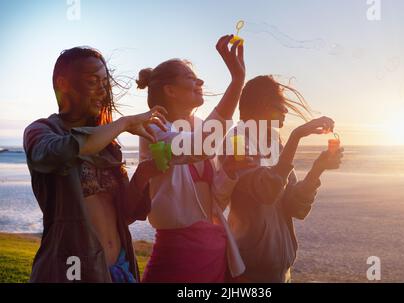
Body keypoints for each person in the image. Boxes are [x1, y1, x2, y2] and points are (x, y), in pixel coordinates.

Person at [23, 47, 167, 282]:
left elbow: (126, 215)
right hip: (73, 271)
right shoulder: (41, 131)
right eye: (93, 81)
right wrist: (124, 123)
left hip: (121, 269)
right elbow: (59, 152)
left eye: (105, 83)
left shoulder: (108, 144)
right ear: (63, 84)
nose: (102, 91)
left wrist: (143, 175)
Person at [137, 35, 253, 282]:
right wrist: (237, 82)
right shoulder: (152, 126)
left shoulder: (200, 126)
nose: (200, 81)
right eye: (190, 78)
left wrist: (229, 173)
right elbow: (200, 146)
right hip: (176, 259)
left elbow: (215, 203)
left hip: (214, 255)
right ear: (170, 90)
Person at [227, 75, 344, 282]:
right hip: (247, 274)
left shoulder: (274, 144)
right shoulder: (235, 142)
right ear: (263, 105)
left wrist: (317, 170)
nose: (286, 111)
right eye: (281, 105)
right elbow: (267, 192)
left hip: (281, 272)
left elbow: (295, 208)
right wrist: (296, 136)